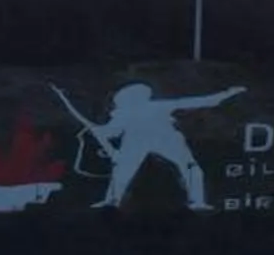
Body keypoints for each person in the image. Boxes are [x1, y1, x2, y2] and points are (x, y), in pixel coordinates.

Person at [79, 81, 244, 209]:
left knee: (190, 167)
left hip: (166, 138)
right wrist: (98, 130)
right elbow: (111, 132)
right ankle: (111, 202)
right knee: (122, 172)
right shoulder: (123, 113)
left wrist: (225, 94)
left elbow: (197, 101)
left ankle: (198, 201)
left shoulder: (157, 106)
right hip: (136, 141)